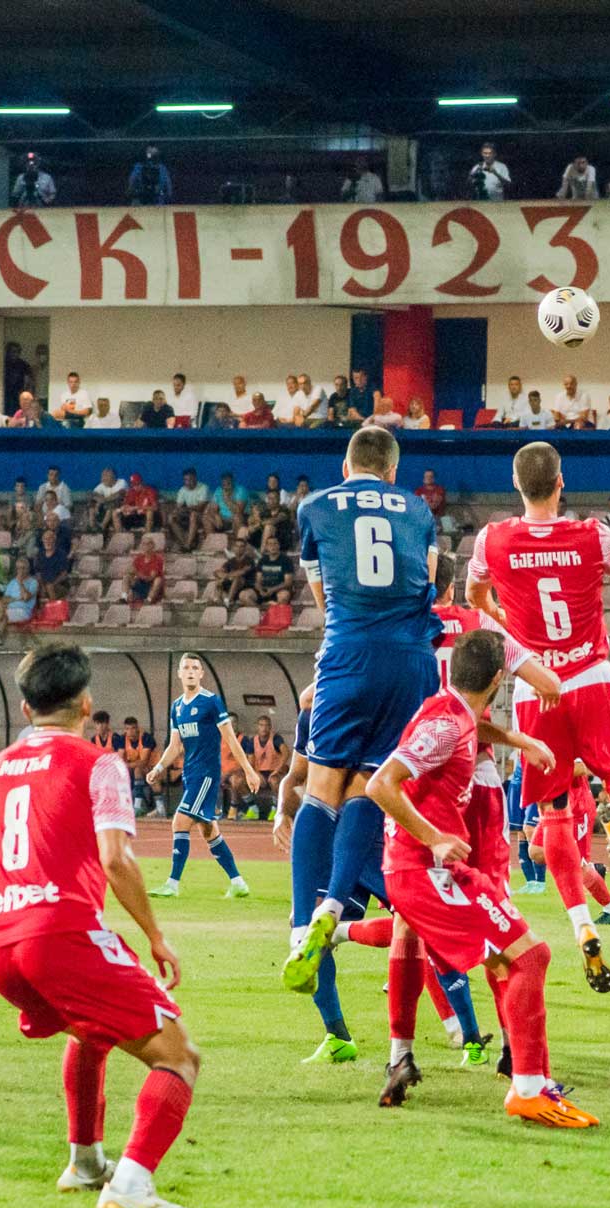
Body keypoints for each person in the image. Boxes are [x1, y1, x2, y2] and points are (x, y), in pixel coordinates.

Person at [0, 643, 201, 1208]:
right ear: (86, 703)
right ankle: (131, 1185)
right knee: (178, 1057)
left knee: (90, 1029)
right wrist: (155, 935)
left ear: (25, 709)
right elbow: (116, 858)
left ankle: (84, 1163)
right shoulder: (97, 763)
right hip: (60, 935)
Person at [362, 629, 594, 1125]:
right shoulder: (445, 724)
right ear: (496, 680)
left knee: (518, 958)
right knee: (530, 956)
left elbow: (471, 729)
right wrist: (434, 837)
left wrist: (517, 738)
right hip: (427, 871)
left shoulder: (454, 711)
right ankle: (528, 1089)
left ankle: (529, 1080)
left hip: (432, 870)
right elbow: (381, 783)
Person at [466, 441, 610, 993]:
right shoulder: (591, 533)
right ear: (561, 482)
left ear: (518, 485)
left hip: (534, 688)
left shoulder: (493, 539)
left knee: (551, 821)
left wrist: (505, 618)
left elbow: (477, 594)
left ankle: (583, 928)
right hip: (589, 677)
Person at [277, 427, 445, 1029]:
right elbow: (425, 587)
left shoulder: (315, 506)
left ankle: (304, 924)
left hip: (348, 652)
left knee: (319, 791)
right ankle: (333, 905)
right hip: (411, 662)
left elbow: (324, 598)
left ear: (346, 465)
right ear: (394, 472)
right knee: (367, 787)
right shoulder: (420, 508)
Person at [145, 654, 258, 899]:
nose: (190, 671)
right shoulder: (177, 706)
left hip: (207, 775)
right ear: (179, 673)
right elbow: (175, 746)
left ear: (201, 673)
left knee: (179, 822)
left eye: (195, 668)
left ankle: (172, 884)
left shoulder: (211, 702)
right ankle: (238, 882)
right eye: (186, 667)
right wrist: (158, 768)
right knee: (209, 830)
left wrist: (249, 771)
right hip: (190, 774)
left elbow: (230, 739)